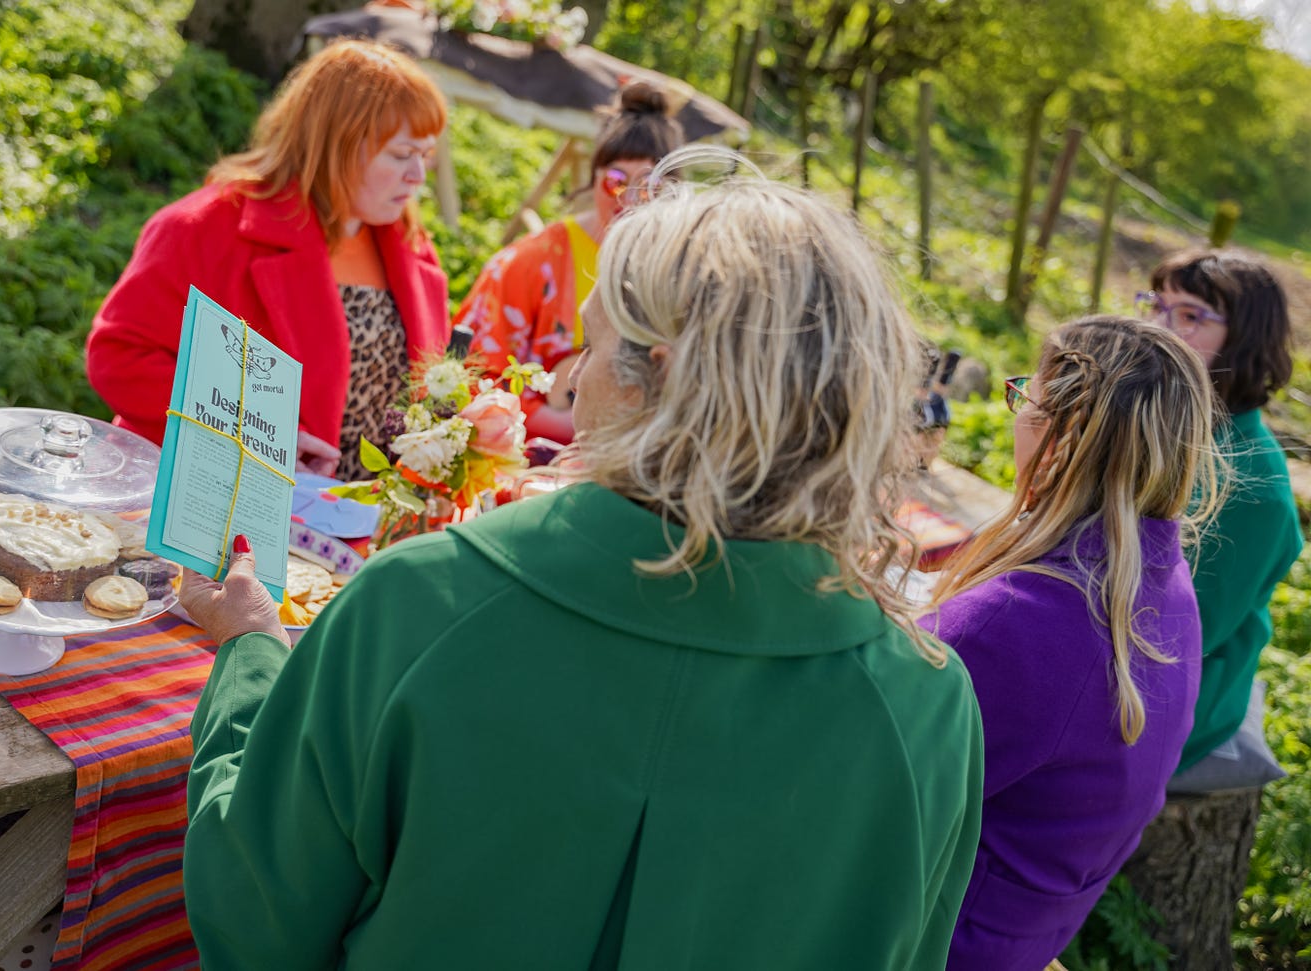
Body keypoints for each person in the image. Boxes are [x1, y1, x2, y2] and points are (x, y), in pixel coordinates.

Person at [179, 160, 984, 970]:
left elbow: (256, 923)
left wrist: (250, 653)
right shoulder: (928, 705)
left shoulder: (419, 603)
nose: (571, 376)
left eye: (591, 344)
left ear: (655, 378)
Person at [919, 318, 1222, 970]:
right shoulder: (1159, 582)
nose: (1018, 410)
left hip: (935, 940)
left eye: (1027, 394)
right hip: (1021, 934)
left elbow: (864, 761)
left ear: (1066, 430)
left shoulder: (1018, 621)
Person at [86, 39, 452, 480]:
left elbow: (421, 390)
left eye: (424, 157)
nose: (417, 177)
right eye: (400, 155)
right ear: (336, 142)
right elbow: (120, 357)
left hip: (355, 531)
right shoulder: (202, 227)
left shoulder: (410, 245)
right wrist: (252, 430)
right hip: (212, 505)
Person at [1137, 249, 1302, 777]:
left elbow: (1180, 637)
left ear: (1245, 339)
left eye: (1188, 316)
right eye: (1156, 306)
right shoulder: (1175, 418)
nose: (1158, 328)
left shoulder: (1253, 489)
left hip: (1176, 695)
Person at [453, 80, 684, 445]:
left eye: (649, 183)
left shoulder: (679, 275)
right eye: (616, 181)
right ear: (593, 178)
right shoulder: (526, 264)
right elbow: (473, 381)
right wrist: (584, 428)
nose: (631, 200)